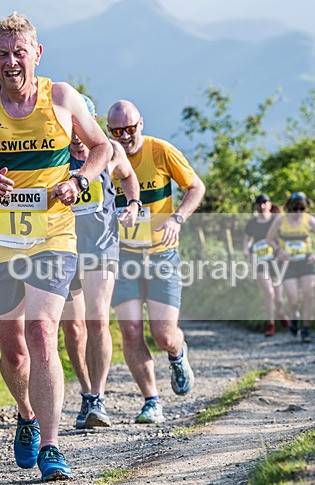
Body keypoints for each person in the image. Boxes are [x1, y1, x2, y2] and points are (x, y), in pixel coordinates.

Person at [0, 12, 112, 481]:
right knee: (13, 350)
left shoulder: (61, 98)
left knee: (41, 331)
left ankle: (53, 447)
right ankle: (27, 414)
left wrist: (79, 180)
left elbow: (102, 149)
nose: (11, 61)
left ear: (37, 54)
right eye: (2, 53)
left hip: (52, 232)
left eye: (20, 52)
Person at [106, 100, 206, 424]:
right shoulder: (104, 158)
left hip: (161, 253)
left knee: (163, 334)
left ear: (141, 124)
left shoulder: (160, 151)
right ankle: (151, 401)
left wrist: (177, 218)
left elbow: (195, 186)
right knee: (132, 330)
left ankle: (177, 354)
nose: (124, 137)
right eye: (116, 131)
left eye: (130, 129)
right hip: (123, 257)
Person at [60, 95, 140, 430]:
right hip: (63, 249)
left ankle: (98, 397)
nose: (77, 131)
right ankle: (85, 392)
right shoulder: (56, 156)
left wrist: (133, 203)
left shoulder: (110, 150)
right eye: (71, 123)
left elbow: (128, 177)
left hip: (102, 247)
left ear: (91, 119)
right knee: (73, 327)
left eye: (83, 122)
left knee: (96, 320)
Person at [266, 192, 315, 343]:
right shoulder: (280, 221)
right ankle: (295, 316)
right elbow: (269, 239)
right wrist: (279, 250)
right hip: (287, 263)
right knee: (293, 299)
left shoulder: (310, 221)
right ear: (288, 208)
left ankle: (306, 329)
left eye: (302, 208)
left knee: (309, 294)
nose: (298, 212)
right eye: (295, 208)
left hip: (305, 261)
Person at [243, 193, 289, 337]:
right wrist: (246, 249)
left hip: (276, 261)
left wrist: (283, 250)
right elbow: (247, 240)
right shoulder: (252, 223)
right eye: (259, 203)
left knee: (278, 297)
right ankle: (271, 325)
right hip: (260, 261)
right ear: (256, 206)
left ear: (269, 204)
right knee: (268, 293)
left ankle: (281, 313)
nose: (262, 206)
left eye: (265, 203)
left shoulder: (277, 220)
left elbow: (284, 236)